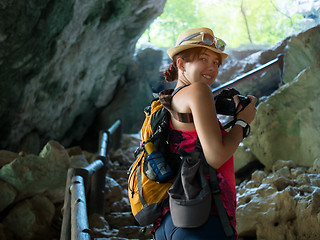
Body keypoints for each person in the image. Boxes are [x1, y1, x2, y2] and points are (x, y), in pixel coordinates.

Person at [153, 28, 257, 239]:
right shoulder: (199, 90)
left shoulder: (172, 98)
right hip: (202, 220)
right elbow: (216, 156)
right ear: (181, 64)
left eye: (216, 62)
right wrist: (242, 122)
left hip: (172, 219)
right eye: (203, 58)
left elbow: (195, 144)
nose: (212, 67)